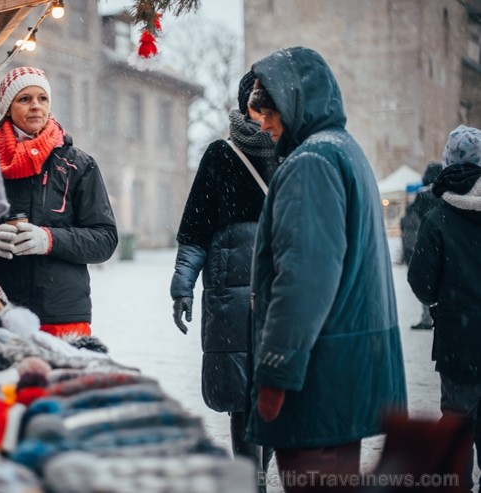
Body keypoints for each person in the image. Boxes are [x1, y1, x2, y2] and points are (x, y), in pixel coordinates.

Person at [245, 47, 408, 492]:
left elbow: (304, 278)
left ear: (295, 103)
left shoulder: (312, 163)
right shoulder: (343, 150)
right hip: (341, 369)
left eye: (269, 110)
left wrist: (276, 370)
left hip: (316, 375)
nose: (263, 123)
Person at [169, 71, 278, 474]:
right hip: (230, 295)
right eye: (254, 99)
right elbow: (195, 229)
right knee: (241, 394)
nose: (261, 109)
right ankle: (253, 479)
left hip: (280, 290)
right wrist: (182, 284)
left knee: (277, 388)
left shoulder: (295, 151)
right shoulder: (220, 154)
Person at [0, 66, 117, 338]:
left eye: (42, 98)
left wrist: (49, 240)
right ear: (7, 107)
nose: (36, 106)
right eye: (24, 99)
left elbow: (104, 240)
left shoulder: (79, 165)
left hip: (63, 313)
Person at [408, 124, 481, 493]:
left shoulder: (437, 219)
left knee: (456, 421)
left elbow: (420, 283)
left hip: (459, 342)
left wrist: (445, 300)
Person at [399, 161, 443, 330]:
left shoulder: (421, 197)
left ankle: (427, 317)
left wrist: (409, 251)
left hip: (423, 244)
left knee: (428, 283)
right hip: (444, 246)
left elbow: (411, 224)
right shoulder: (446, 195)